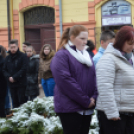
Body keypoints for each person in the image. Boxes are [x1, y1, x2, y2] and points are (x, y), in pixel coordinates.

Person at [50, 25, 98, 134]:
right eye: (82, 38)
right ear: (72, 37)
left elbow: (94, 77)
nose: (85, 42)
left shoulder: (86, 55)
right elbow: (65, 81)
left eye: (86, 39)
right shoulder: (62, 55)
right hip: (70, 108)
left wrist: (94, 97)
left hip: (87, 108)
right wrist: (86, 101)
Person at [96, 26, 134, 134]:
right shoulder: (108, 58)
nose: (133, 47)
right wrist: (112, 112)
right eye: (130, 43)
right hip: (115, 114)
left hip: (128, 111)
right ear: (121, 41)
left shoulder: (130, 58)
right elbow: (104, 87)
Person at [3, 39, 28, 108]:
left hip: (21, 83)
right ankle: (15, 117)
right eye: (11, 47)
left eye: (14, 47)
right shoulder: (7, 58)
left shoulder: (23, 56)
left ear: (17, 47)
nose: (13, 49)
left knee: (22, 102)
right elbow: (4, 70)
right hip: (11, 84)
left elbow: (24, 69)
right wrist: (9, 77)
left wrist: (14, 77)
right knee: (14, 102)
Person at [0, 45, 7, 117]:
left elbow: (3, 71)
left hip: (2, 84)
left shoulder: (2, 60)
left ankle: (2, 115)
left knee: (1, 101)